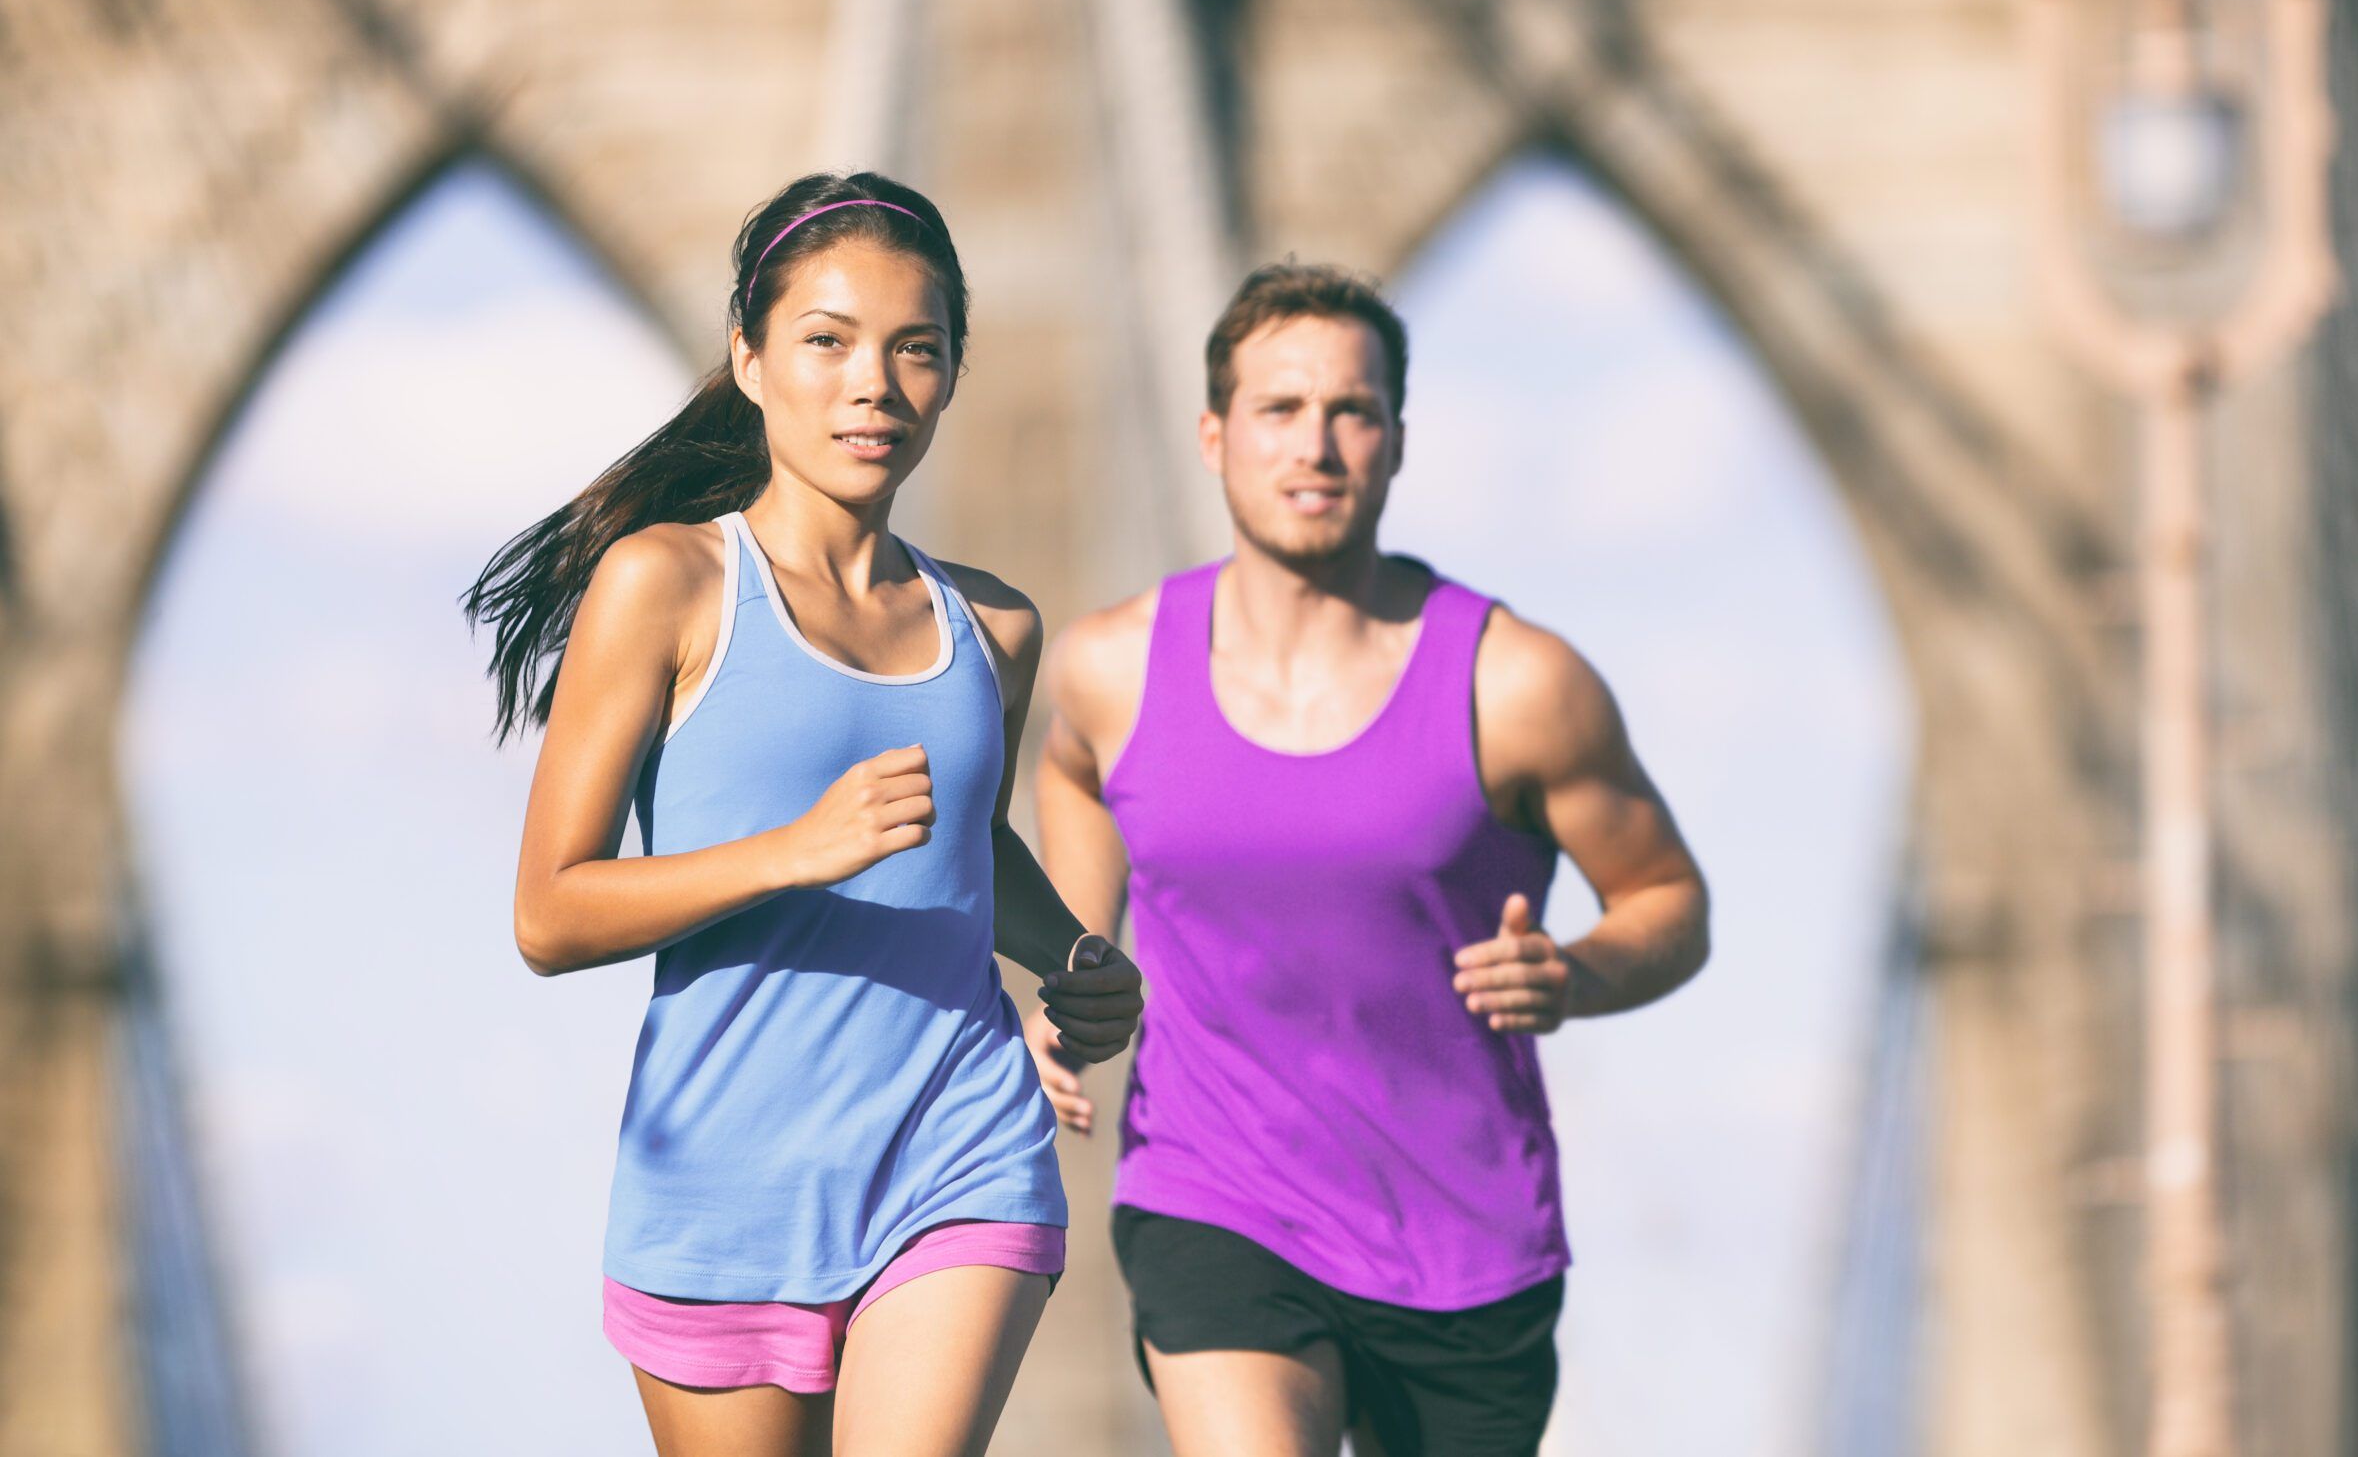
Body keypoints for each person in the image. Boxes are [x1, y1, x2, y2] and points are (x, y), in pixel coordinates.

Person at [466, 172, 1144, 1457]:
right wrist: (793, 851)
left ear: (952, 373)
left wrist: (1070, 952)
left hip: (956, 1139)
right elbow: (549, 910)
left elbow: (959, 851)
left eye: (915, 349)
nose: (871, 385)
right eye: (827, 341)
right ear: (749, 353)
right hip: (726, 1183)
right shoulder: (664, 582)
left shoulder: (991, 628)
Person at [1033, 262, 1712, 1457]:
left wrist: (1577, 975)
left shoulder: (1519, 684)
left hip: (1464, 1241)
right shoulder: (1114, 664)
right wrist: (1077, 954)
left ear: (1397, 440)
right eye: (1279, 410)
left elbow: (1669, 899)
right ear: (1214, 434)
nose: (1317, 445)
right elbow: (1074, 772)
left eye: (1352, 411)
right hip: (1212, 1190)